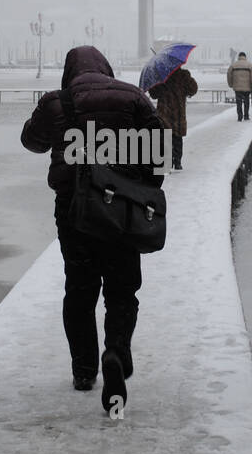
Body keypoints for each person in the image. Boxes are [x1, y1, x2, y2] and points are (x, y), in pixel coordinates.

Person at [20, 46, 163, 411]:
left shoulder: (58, 102)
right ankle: (115, 351)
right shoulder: (133, 97)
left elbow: (31, 142)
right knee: (121, 290)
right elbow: (159, 149)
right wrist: (140, 183)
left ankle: (84, 370)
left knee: (80, 291)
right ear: (106, 67)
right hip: (121, 213)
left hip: (74, 213)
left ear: (71, 71)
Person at [147, 66, 197, 171]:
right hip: (178, 111)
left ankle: (168, 162)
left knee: (165, 136)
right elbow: (193, 89)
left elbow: (153, 94)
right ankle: (178, 162)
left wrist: (156, 81)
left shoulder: (161, 77)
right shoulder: (183, 75)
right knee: (177, 136)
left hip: (164, 111)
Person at [227, 51, 252, 121]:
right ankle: (246, 115)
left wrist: (231, 84)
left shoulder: (233, 65)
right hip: (247, 88)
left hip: (237, 87)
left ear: (239, 57)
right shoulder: (250, 65)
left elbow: (229, 75)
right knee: (246, 101)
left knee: (239, 102)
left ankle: (239, 116)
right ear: (245, 57)